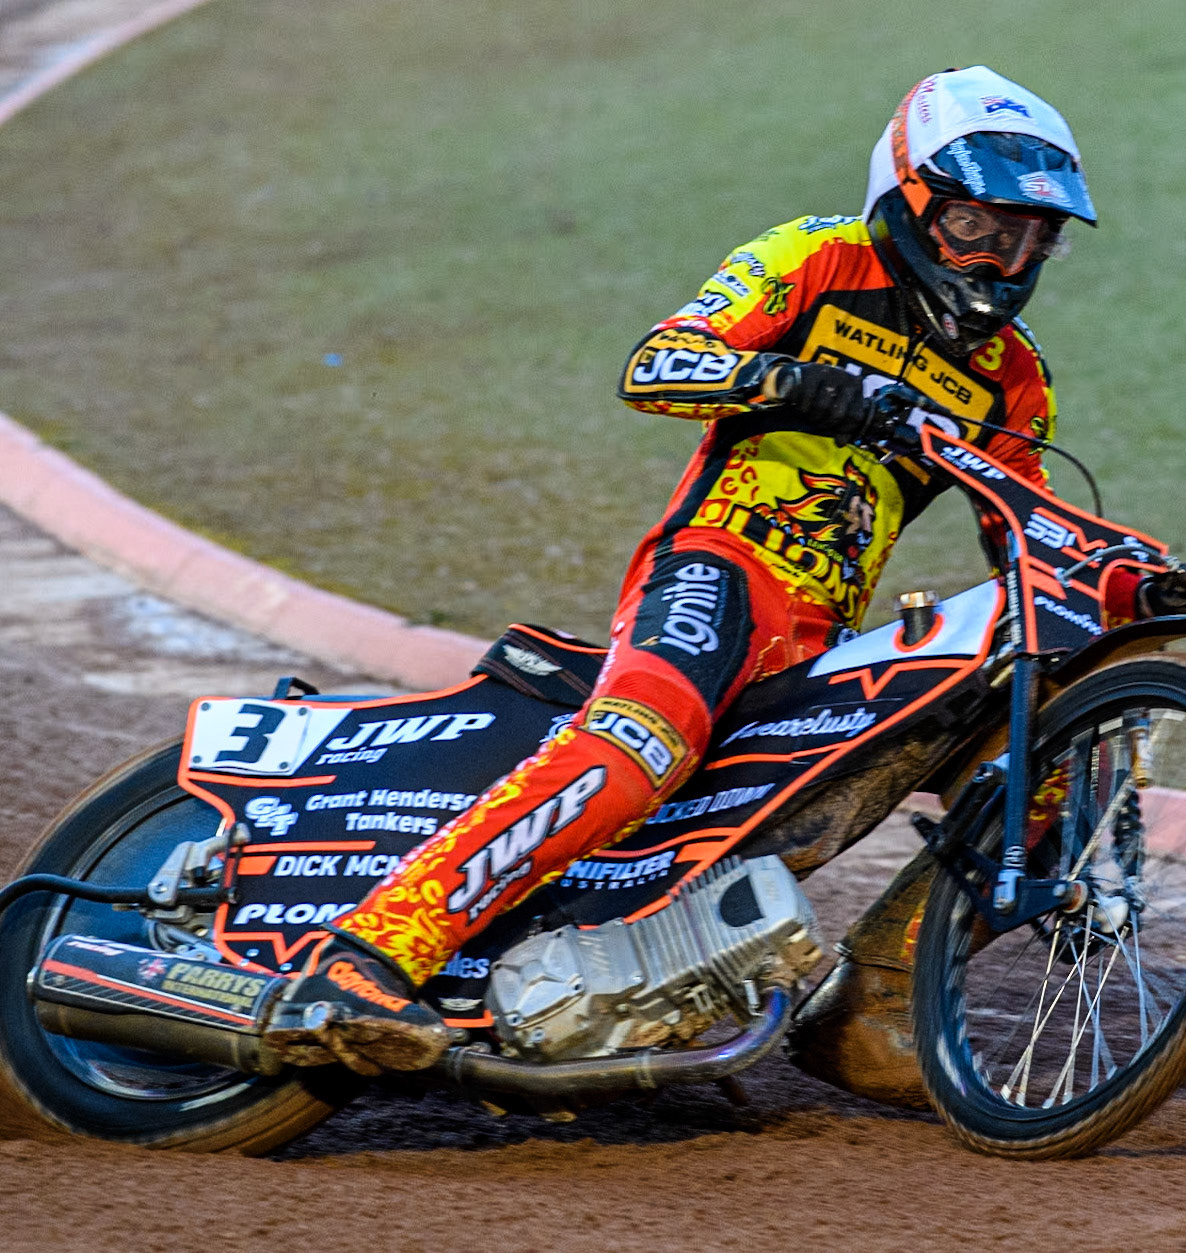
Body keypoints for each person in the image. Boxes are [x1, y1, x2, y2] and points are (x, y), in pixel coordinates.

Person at [263, 66, 1105, 1076]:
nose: (1004, 258)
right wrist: (791, 382)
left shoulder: (1013, 377)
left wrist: (1125, 579)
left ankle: (872, 1003)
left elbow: (1023, 534)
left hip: (824, 639)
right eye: (979, 225)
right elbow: (655, 364)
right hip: (716, 570)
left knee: (1045, 769)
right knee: (642, 745)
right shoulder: (812, 256)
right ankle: (368, 953)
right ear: (909, 199)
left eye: (1030, 237)